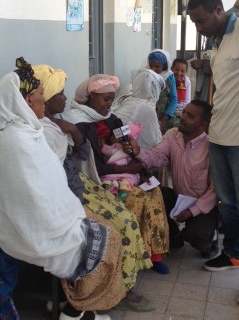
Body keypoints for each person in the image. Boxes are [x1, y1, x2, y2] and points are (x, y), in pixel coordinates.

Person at [0, 57, 127, 320]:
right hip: (33, 230)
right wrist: (69, 219)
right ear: (26, 102)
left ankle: (81, 307)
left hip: (46, 217)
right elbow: (36, 199)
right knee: (106, 240)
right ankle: (77, 308)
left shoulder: (26, 131)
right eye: (41, 95)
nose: (43, 100)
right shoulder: (17, 140)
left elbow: (48, 188)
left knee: (104, 234)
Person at [32, 64, 156, 313]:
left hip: (82, 183)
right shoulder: (43, 130)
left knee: (130, 214)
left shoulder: (64, 123)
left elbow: (83, 153)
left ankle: (126, 282)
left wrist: (78, 135)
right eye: (59, 95)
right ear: (42, 99)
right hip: (70, 191)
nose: (65, 99)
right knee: (115, 224)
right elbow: (65, 170)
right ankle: (109, 290)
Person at [64, 74, 170, 275]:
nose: (110, 104)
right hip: (97, 180)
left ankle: (154, 253)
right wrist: (124, 170)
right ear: (91, 96)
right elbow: (90, 166)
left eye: (112, 99)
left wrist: (134, 155)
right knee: (137, 198)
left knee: (154, 192)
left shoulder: (112, 118)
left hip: (124, 173)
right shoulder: (79, 124)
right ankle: (131, 257)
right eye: (105, 99)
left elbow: (128, 143)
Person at [123, 100, 219, 259]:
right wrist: (137, 151)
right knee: (152, 193)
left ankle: (211, 240)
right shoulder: (172, 135)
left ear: (202, 125)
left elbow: (215, 190)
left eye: (190, 116)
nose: (183, 117)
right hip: (179, 198)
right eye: (185, 112)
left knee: (196, 235)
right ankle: (174, 236)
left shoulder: (211, 147)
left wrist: (191, 211)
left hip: (203, 206)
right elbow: (158, 157)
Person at [187, 0, 239, 272]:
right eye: (194, 22)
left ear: (219, 10)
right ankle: (232, 254)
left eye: (201, 20)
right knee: (228, 202)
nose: (198, 26)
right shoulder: (217, 41)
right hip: (218, 136)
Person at [112, 69, 164, 148]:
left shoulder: (129, 97)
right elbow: (156, 141)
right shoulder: (146, 106)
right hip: (118, 143)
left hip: (113, 137)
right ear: (156, 89)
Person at [100, 123, 142, 201]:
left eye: (121, 138)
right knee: (107, 181)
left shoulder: (125, 148)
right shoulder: (112, 147)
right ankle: (109, 189)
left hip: (126, 174)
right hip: (112, 173)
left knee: (126, 181)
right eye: (114, 137)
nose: (118, 140)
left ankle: (123, 193)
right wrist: (103, 143)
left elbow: (136, 161)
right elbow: (105, 149)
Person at [147, 49, 177, 133]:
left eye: (157, 66)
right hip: (148, 115)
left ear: (164, 66)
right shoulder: (145, 75)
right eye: (150, 66)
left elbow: (173, 100)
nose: (153, 69)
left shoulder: (169, 77)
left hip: (165, 115)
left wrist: (163, 120)